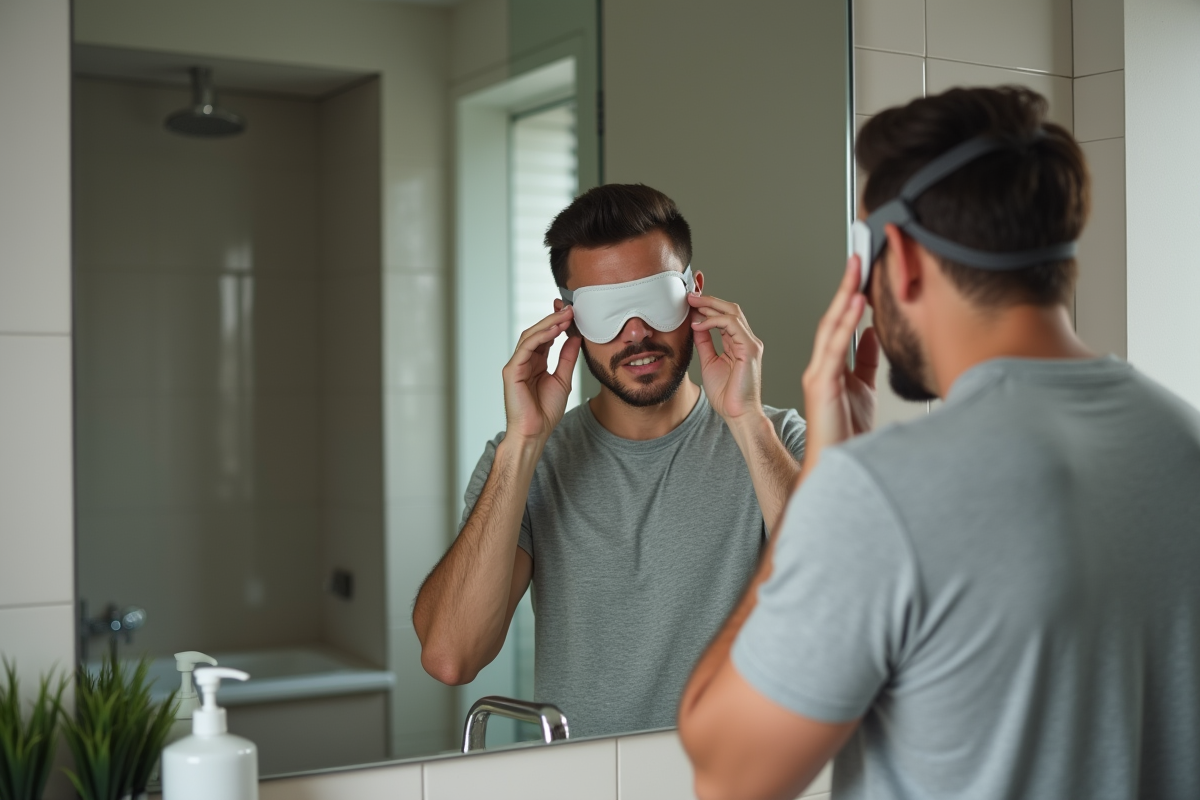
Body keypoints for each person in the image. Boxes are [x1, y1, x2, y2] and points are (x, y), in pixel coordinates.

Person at [678, 86, 1200, 800]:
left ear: (898, 254)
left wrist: (821, 489)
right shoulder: (1181, 441)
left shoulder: (882, 492)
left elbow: (727, 774)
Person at [412, 184, 811, 738]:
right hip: (587, 777)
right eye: (607, 311)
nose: (636, 332)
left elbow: (844, 606)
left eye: (655, 299)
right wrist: (523, 443)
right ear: (569, 319)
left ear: (695, 294)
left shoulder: (779, 441)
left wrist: (747, 422)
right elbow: (451, 657)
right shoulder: (525, 463)